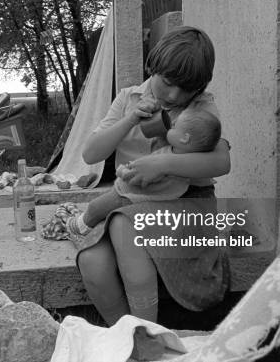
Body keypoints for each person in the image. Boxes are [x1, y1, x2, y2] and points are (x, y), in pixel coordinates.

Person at [76, 26, 231, 327]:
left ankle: (148, 334)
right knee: (93, 262)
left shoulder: (201, 105)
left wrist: (163, 165)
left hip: (186, 202)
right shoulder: (128, 98)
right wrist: (131, 118)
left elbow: (221, 162)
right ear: (153, 67)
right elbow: (90, 154)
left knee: (123, 222)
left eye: (186, 89)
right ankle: (129, 339)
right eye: (168, 83)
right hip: (131, 198)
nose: (174, 95)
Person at [67, 107, 221, 236]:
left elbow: (140, 177)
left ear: (185, 139)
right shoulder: (183, 159)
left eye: (174, 127)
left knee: (96, 207)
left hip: (131, 196)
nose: (171, 126)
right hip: (147, 201)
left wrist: (122, 171)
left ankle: (79, 227)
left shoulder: (171, 162)